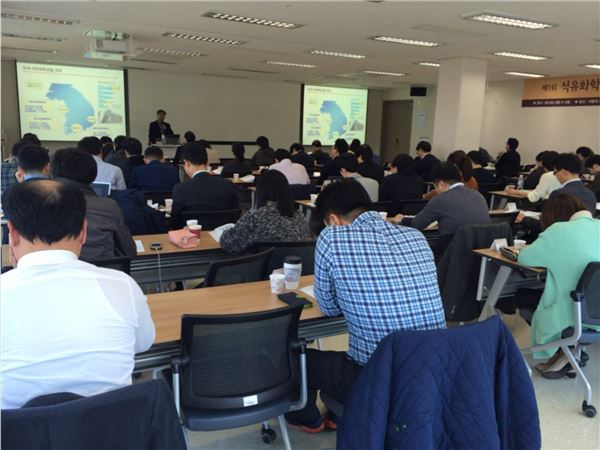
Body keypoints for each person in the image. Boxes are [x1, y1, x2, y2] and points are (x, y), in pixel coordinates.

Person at [284, 178, 445, 431]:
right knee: (352, 355)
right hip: (433, 371)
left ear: (333, 219)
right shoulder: (415, 235)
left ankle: (309, 419)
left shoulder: (332, 237)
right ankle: (338, 414)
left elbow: (329, 308)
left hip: (377, 377)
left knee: (299, 358)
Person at [1, 180, 155, 409]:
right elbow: (143, 344)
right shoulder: (122, 286)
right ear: (83, 231)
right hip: (114, 436)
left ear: (11, 232)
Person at [515, 194, 600, 379]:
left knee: (521, 296)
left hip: (572, 314)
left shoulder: (558, 231)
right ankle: (568, 351)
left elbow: (524, 258)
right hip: (595, 312)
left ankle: (562, 349)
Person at [50, 149, 136, 261]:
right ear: (92, 174)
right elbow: (130, 251)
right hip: (105, 273)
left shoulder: (39, 204)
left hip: (56, 276)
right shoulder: (109, 206)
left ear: (52, 173)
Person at [396, 163, 490, 246]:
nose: (436, 191)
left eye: (435, 187)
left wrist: (401, 219)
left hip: (454, 250)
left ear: (441, 184)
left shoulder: (441, 199)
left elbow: (417, 224)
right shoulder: (478, 195)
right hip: (481, 250)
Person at [220, 170, 313, 254]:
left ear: (261, 191)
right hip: (295, 269)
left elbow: (229, 243)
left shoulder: (255, 217)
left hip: (260, 271)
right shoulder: (299, 216)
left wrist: (224, 232)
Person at [171, 142, 239, 229]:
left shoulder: (180, 189)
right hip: (222, 239)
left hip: (193, 239)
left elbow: (175, 223)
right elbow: (236, 218)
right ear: (207, 162)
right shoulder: (228, 185)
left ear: (186, 163)